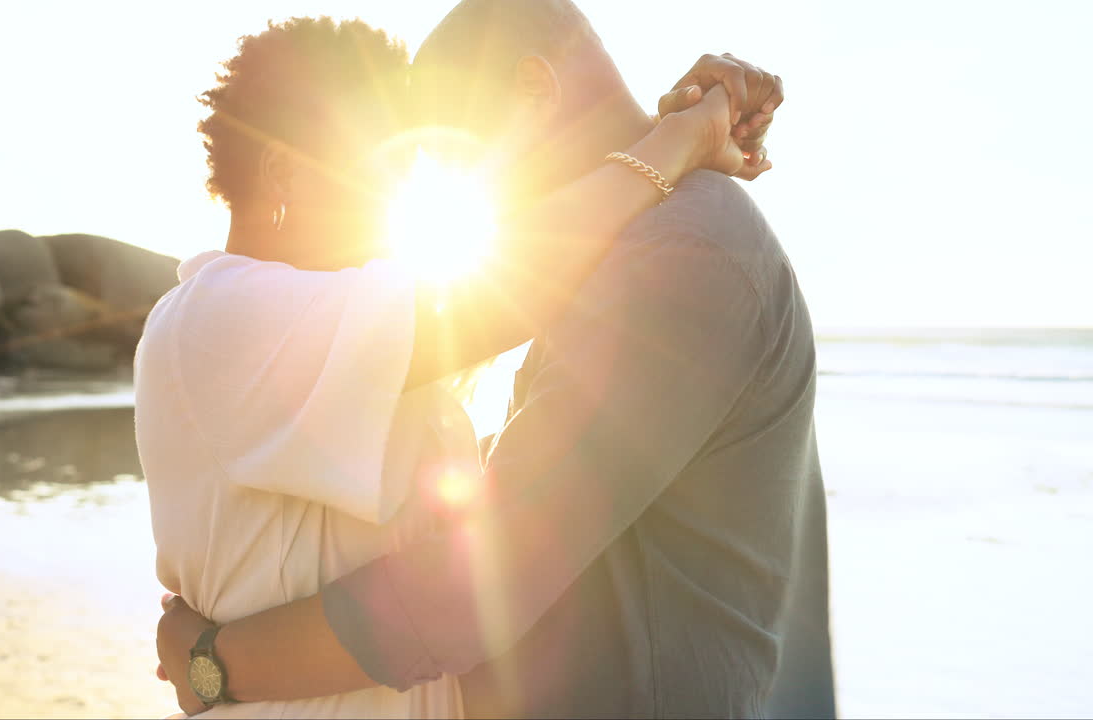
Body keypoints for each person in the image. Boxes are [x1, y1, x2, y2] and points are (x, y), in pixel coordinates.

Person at [144, 8, 797, 720]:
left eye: (452, 154)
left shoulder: (681, 248)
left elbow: (471, 579)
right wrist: (671, 140)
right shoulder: (236, 316)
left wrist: (214, 662)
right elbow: (490, 308)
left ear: (534, 92)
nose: (418, 196)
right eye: (392, 166)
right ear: (287, 173)